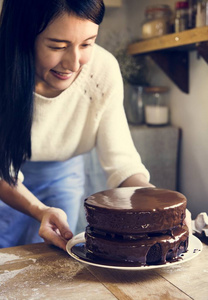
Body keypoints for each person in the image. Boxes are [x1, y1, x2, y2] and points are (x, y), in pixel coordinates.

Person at [0, 0, 190, 251]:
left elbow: (122, 163)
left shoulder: (102, 70)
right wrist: (38, 209)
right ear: (23, 36)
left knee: (52, 257)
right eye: (57, 46)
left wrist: (163, 210)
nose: (73, 63)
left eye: (87, 43)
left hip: (62, 176)